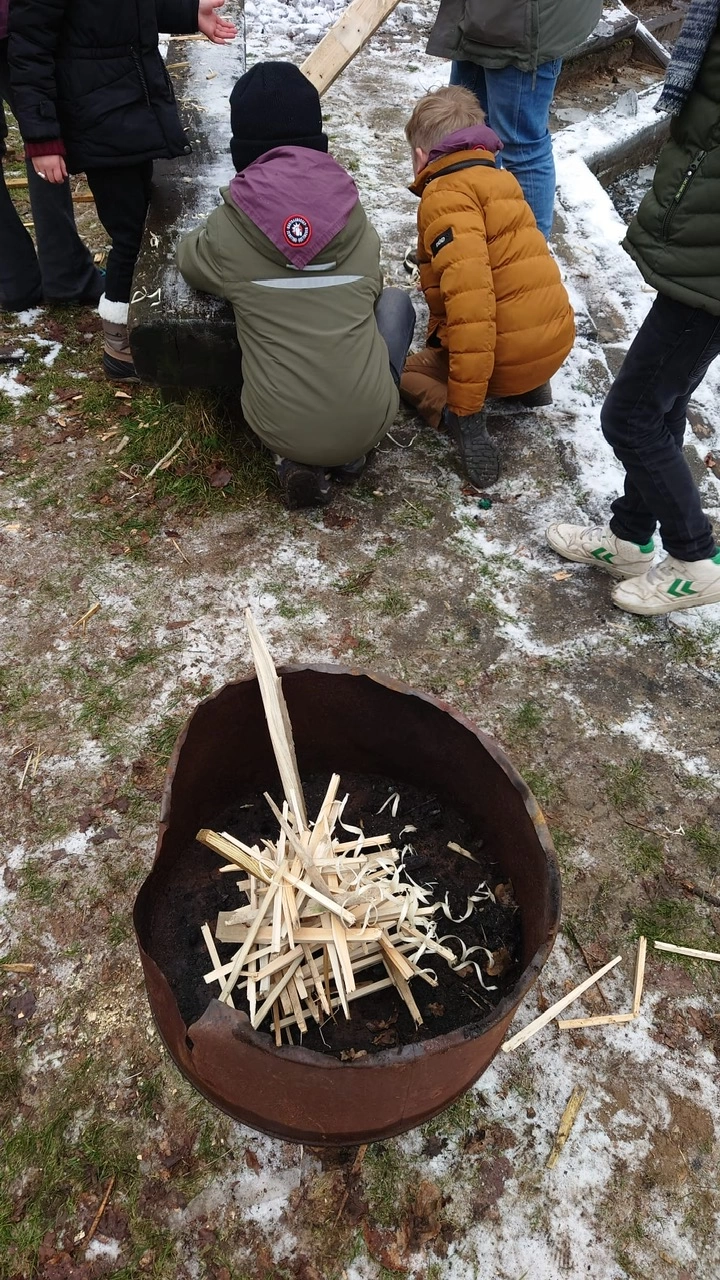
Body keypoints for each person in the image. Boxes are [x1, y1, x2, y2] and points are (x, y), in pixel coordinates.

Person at [176, 61, 416, 511]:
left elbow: (188, 259)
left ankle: (291, 458)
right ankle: (353, 452)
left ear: (242, 149)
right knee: (395, 303)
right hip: (371, 419)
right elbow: (372, 284)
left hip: (279, 422)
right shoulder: (353, 214)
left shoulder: (230, 228)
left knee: (253, 317)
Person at [546, 0, 720, 616]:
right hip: (701, 252)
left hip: (713, 263)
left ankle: (694, 558)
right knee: (659, 403)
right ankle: (628, 539)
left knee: (630, 415)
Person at [7, 0, 236, 377]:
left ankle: (141, 321)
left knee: (144, 219)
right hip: (95, 115)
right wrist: (42, 138)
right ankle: (120, 342)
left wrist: (187, 14)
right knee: (130, 232)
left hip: (131, 103)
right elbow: (29, 51)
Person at [400, 86, 574, 487]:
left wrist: (466, 411)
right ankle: (529, 386)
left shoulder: (443, 198)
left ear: (421, 156)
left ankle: (456, 414)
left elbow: (471, 310)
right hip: (553, 345)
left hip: (504, 358)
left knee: (399, 371)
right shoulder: (502, 180)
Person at [425, 0, 603, 237]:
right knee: (466, 132)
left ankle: (531, 259)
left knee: (522, 148)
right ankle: (469, 238)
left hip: (522, 20)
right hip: (487, 16)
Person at [1, 0, 102, 310]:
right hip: (17, 23)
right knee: (41, 123)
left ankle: (14, 280)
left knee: (42, 132)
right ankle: (62, 274)